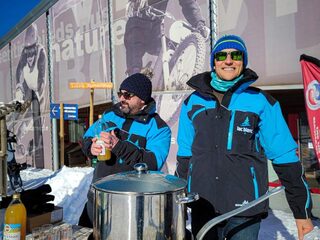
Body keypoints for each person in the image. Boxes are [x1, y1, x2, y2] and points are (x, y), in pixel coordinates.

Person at [175, 35, 314, 240]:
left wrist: (301, 212)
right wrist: (179, 204)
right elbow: (185, 156)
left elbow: (285, 157)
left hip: (245, 207)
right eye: (222, 55)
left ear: (244, 61)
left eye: (236, 55)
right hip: (202, 204)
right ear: (214, 62)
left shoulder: (261, 101)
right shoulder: (192, 102)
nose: (228, 60)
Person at [80, 72, 171, 225]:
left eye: (128, 95)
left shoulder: (159, 128)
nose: (122, 98)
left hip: (131, 204)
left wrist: (119, 146)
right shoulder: (110, 114)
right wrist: (91, 147)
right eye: (120, 93)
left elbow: (152, 163)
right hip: (98, 197)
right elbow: (87, 137)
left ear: (142, 99)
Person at [124, 0, 210, 76]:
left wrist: (199, 24)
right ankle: (134, 86)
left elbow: (188, 3)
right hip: (136, 28)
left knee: (177, 51)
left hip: (155, 32)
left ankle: (170, 84)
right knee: (134, 68)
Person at [15, 23, 47, 168]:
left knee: (38, 117)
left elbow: (42, 75)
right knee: (24, 116)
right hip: (29, 87)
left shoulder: (41, 52)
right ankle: (18, 139)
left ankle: (39, 146)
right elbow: (18, 70)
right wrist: (18, 84)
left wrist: (39, 93)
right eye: (27, 54)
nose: (29, 58)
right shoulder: (25, 52)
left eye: (30, 54)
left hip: (38, 88)